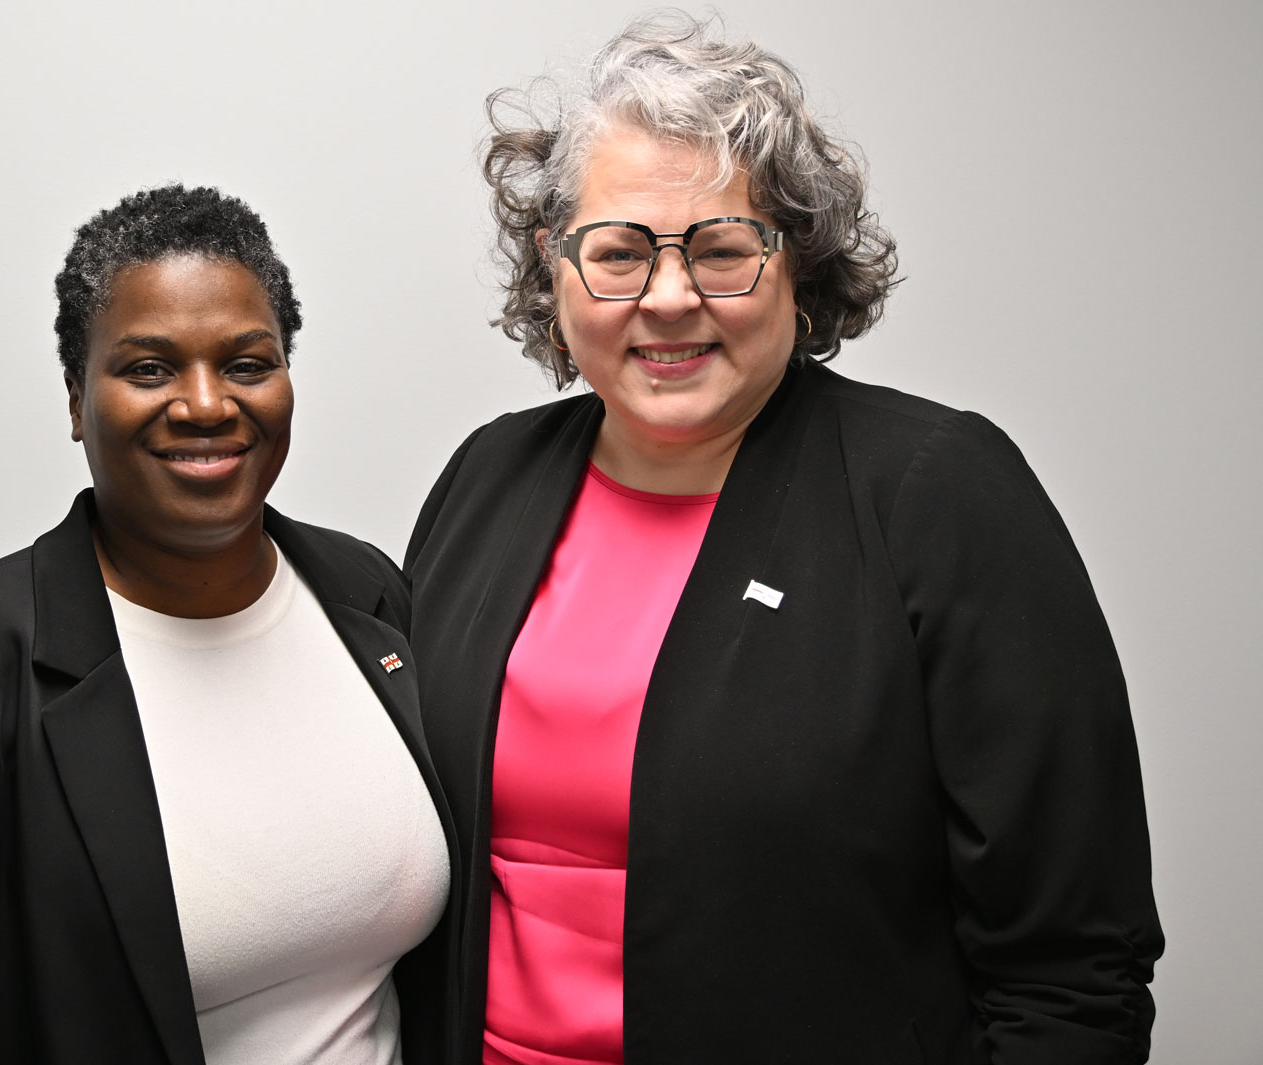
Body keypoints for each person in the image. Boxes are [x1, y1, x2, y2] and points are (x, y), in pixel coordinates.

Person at [405, 13, 1162, 1064]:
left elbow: (1072, 972)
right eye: (620, 252)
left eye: (721, 251)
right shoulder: (489, 477)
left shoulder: (941, 494)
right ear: (555, 265)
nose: (669, 300)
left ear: (796, 264)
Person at [0, 184, 453, 1065]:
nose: (204, 404)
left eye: (247, 363)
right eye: (150, 367)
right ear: (77, 399)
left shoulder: (366, 593)